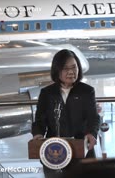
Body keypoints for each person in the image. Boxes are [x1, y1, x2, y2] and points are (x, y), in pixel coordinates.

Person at [31, 49, 100, 177]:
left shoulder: (87, 91)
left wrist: (92, 133)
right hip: (54, 151)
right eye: (65, 68)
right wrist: (38, 134)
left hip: (81, 150)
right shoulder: (47, 93)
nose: (71, 72)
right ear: (57, 70)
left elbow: (93, 118)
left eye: (74, 67)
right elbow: (40, 120)